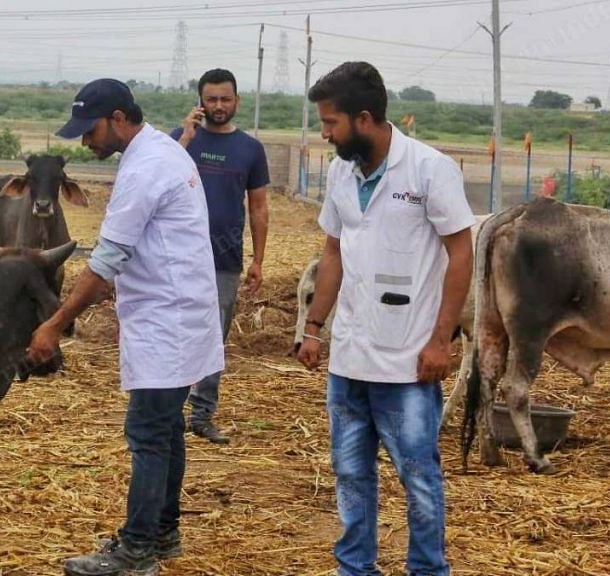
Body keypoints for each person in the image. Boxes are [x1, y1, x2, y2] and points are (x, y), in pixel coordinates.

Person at [27, 78, 225, 576]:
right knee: (167, 429)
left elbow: (108, 260)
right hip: (177, 314)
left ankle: (136, 550)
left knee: (148, 433)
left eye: (89, 129)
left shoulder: (147, 168)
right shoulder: (160, 152)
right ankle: (162, 532)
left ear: (118, 118)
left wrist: (53, 325)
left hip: (168, 320)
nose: (84, 141)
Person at [297, 61, 474, 576]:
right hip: (349, 355)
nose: (325, 134)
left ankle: (426, 568)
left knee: (418, 474)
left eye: (331, 123)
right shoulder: (340, 171)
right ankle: (355, 567)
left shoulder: (429, 169)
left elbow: (460, 255)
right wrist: (313, 326)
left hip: (408, 359)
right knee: (350, 472)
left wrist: (442, 340)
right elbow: (333, 252)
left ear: (365, 118)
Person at [171, 68, 270, 444]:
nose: (218, 106)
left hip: (225, 260)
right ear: (199, 101)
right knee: (177, 331)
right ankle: (171, 411)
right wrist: (185, 136)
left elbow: (258, 208)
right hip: (178, 258)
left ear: (236, 101)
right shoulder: (179, 141)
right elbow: (158, 175)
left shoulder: (250, 149)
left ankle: (201, 414)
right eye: (210, 99)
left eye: (225, 99)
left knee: (214, 339)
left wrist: (258, 260)